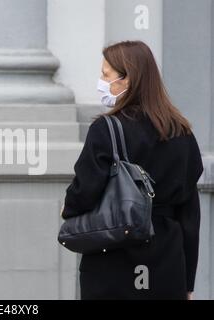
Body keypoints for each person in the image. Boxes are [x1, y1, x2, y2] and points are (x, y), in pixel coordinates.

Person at [61, 40, 204, 300]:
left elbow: (83, 192)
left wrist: (68, 207)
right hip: (167, 263)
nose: (101, 82)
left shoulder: (107, 129)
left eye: (106, 75)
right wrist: (188, 282)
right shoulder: (182, 133)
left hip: (113, 255)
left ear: (128, 80)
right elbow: (190, 215)